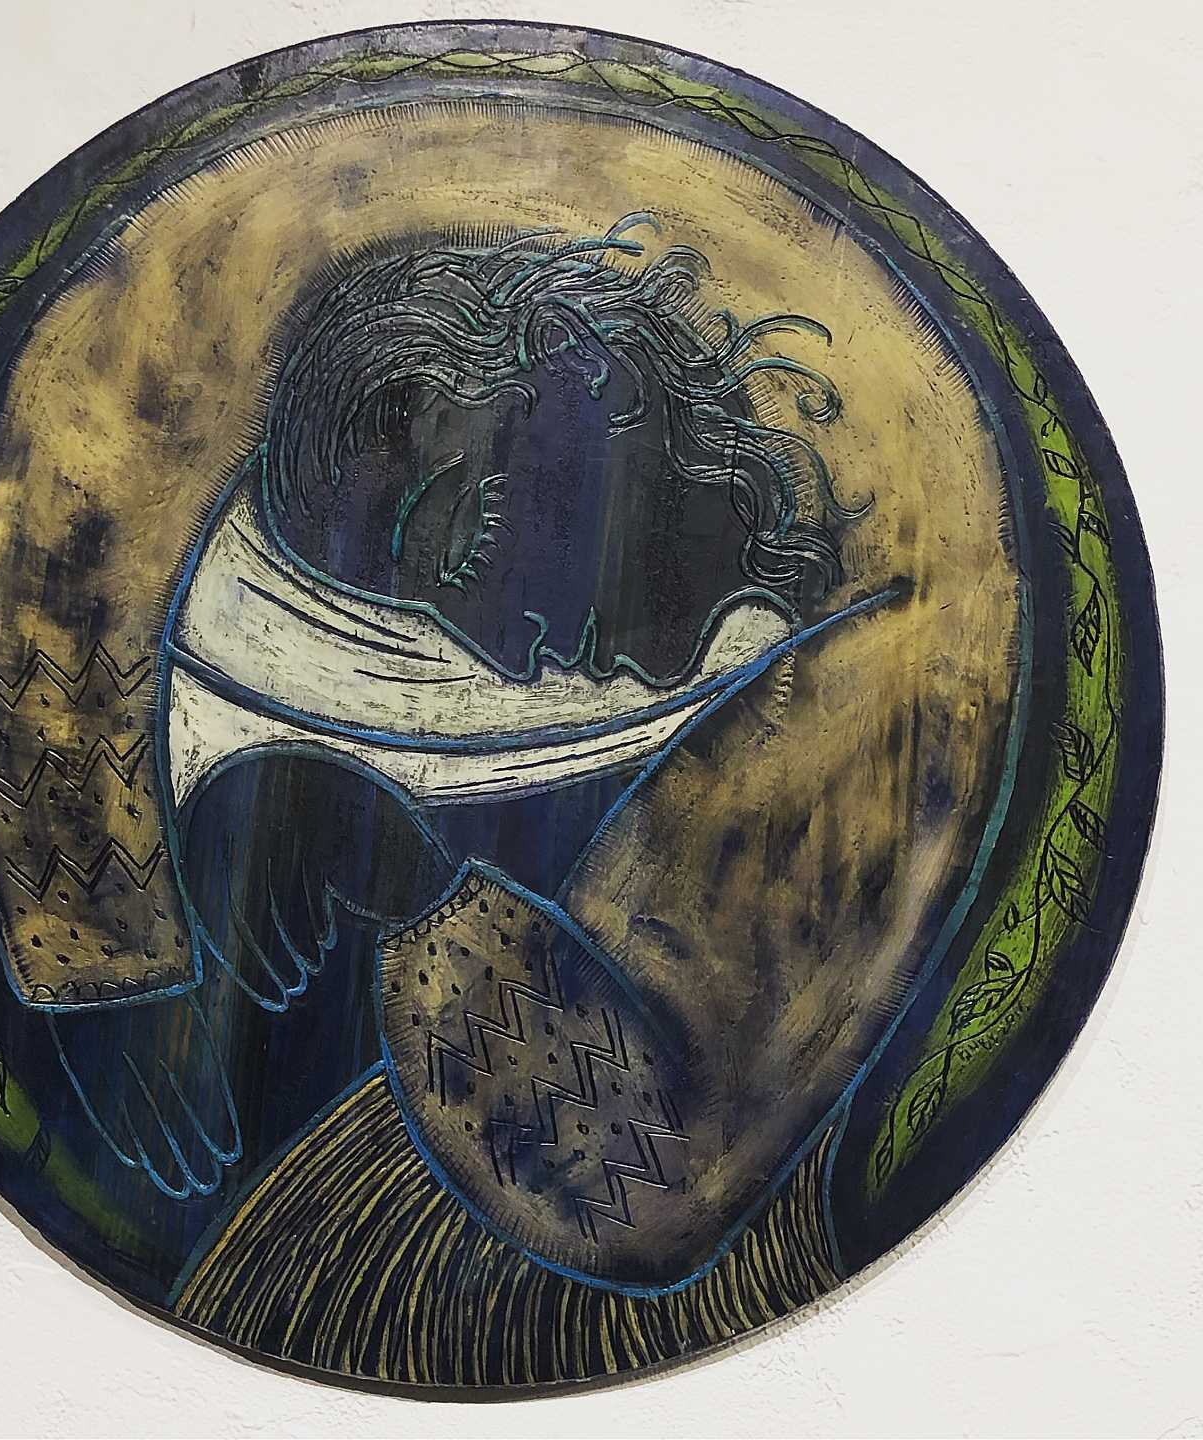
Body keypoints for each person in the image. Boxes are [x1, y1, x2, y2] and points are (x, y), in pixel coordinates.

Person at [48, 215, 871, 1221]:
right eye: (428, 618)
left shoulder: (866, 680)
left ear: (569, 359)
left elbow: (656, 1187)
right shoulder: (759, 688)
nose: (509, 658)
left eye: (463, 541)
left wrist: (429, 901)